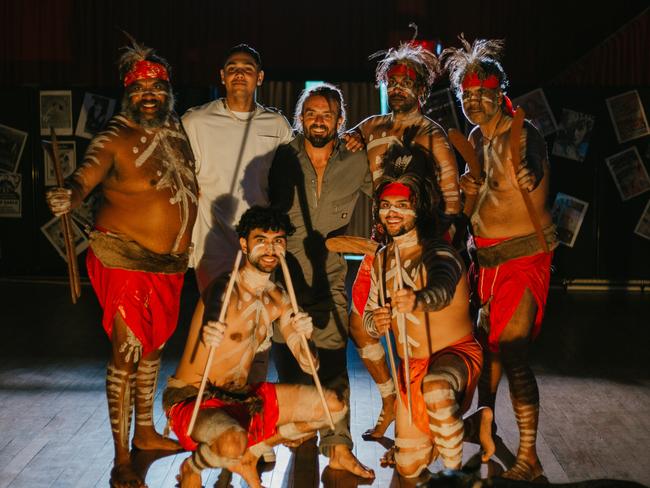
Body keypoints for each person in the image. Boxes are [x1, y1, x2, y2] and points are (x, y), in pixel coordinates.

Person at [46, 41, 198, 488]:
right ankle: (120, 457)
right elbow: (83, 177)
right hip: (124, 261)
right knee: (127, 356)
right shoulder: (114, 137)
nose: (147, 93)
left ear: (168, 91)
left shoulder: (175, 132)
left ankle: (146, 433)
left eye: (156, 85)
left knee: (152, 350)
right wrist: (68, 195)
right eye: (138, 87)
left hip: (169, 267)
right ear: (126, 93)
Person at [441, 36, 558, 481]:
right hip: (484, 261)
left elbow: (534, 163)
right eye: (466, 95)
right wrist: (468, 197)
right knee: (489, 350)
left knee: (513, 353)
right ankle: (484, 422)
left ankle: (529, 455)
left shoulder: (523, 133)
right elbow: (475, 209)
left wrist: (531, 170)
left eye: (480, 93)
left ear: (498, 92)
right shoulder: (473, 136)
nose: (472, 101)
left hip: (524, 257)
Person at [164, 206, 347, 488]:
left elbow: (310, 365)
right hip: (196, 400)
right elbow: (215, 309)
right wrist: (211, 328)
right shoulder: (224, 288)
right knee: (232, 440)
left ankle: (248, 452)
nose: (270, 249)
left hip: (243, 399)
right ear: (244, 244)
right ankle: (194, 466)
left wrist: (305, 336)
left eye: (278, 241)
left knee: (333, 407)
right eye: (261, 240)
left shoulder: (279, 297)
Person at [345, 42, 462, 439]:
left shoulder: (432, 135)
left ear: (422, 91)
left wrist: (429, 249)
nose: (398, 89)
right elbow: (349, 146)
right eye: (392, 82)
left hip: (418, 246)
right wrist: (353, 138)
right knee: (362, 324)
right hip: (380, 245)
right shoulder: (371, 127)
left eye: (406, 83)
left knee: (413, 337)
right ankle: (389, 399)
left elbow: (451, 198)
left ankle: (414, 426)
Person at [268, 83, 375, 479]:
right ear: (300, 118)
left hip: (329, 268)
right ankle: (299, 429)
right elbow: (261, 203)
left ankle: (339, 447)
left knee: (331, 356)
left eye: (326, 114)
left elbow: (385, 196)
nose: (318, 120)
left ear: (339, 120)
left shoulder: (355, 160)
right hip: (285, 271)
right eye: (311, 113)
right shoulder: (282, 157)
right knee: (288, 353)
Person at [363, 138, 483, 479]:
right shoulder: (382, 259)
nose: (392, 213)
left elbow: (442, 289)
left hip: (453, 355)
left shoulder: (439, 252)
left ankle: (455, 476)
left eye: (402, 205)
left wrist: (418, 299)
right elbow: (370, 319)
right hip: (409, 370)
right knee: (408, 468)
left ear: (419, 206)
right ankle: (474, 426)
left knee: (437, 389)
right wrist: (377, 321)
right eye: (386, 205)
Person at [182, 44, 293, 396]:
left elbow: (292, 175)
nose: (239, 73)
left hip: (259, 245)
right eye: (232, 68)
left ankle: (252, 409)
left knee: (259, 324)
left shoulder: (275, 124)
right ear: (222, 76)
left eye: (247, 68)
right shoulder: (195, 121)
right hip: (213, 241)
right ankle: (218, 404)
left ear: (260, 77)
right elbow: (177, 177)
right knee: (223, 324)